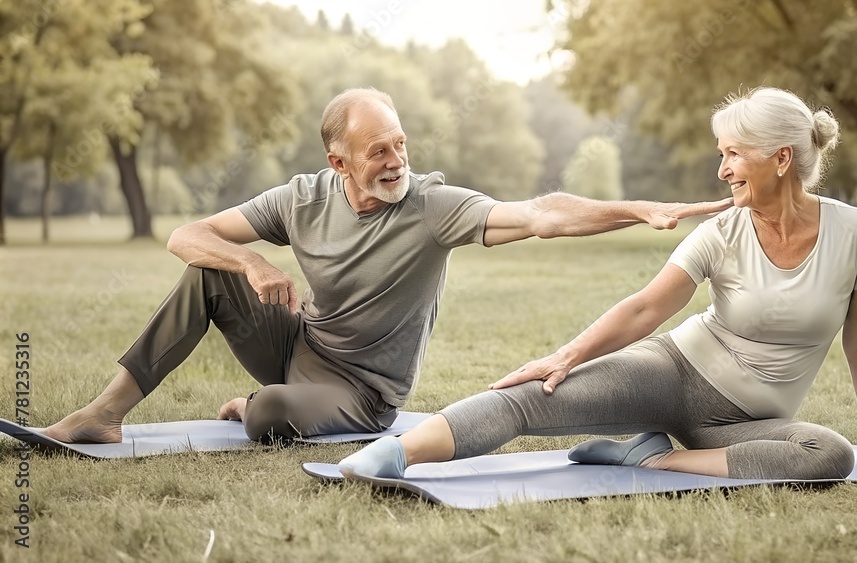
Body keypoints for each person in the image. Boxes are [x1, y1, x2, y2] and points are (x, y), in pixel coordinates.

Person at [42, 87, 730, 444]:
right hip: (298, 342)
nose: (396, 160)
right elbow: (187, 235)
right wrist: (249, 263)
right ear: (338, 162)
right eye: (378, 151)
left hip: (362, 391)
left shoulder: (432, 206)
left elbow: (542, 212)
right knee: (207, 272)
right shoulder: (303, 198)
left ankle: (258, 406)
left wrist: (637, 208)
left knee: (268, 415)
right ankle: (104, 412)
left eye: (399, 144)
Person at [339, 87, 857, 482]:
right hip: (673, 373)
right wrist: (565, 356)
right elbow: (647, 307)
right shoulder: (723, 232)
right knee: (535, 396)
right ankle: (396, 454)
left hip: (744, 427)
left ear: (780, 159)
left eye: (734, 154)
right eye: (721, 153)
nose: (722, 167)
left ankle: (651, 457)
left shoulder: (854, 232)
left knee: (830, 457)